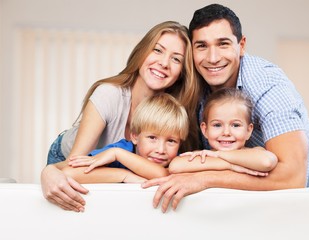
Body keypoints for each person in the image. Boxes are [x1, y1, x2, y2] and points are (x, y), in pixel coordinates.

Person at [142, 4, 309, 213]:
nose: (212, 58)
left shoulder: (268, 85)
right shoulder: (193, 81)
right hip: (234, 179)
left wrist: (204, 179)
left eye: (223, 44)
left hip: (291, 177)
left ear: (242, 44)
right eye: (201, 46)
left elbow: (292, 177)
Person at [41, 21, 200, 212]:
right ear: (142, 52)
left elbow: (165, 173)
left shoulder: (173, 112)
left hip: (116, 166)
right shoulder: (109, 95)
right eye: (157, 50)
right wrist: (49, 171)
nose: (164, 63)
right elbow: (72, 167)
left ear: (182, 72)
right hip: (69, 157)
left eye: (176, 59)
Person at [59, 93, 188, 184]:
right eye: (152, 138)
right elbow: (69, 173)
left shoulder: (177, 161)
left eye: (171, 141)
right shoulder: (120, 149)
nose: (161, 150)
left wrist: (118, 155)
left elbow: (162, 174)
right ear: (135, 137)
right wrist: (124, 175)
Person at [169, 87, 277, 176]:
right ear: (205, 129)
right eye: (217, 125)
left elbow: (266, 162)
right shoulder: (203, 156)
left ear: (248, 131)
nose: (226, 133)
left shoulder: (254, 152)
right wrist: (230, 166)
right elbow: (175, 166)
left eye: (235, 125)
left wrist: (218, 155)